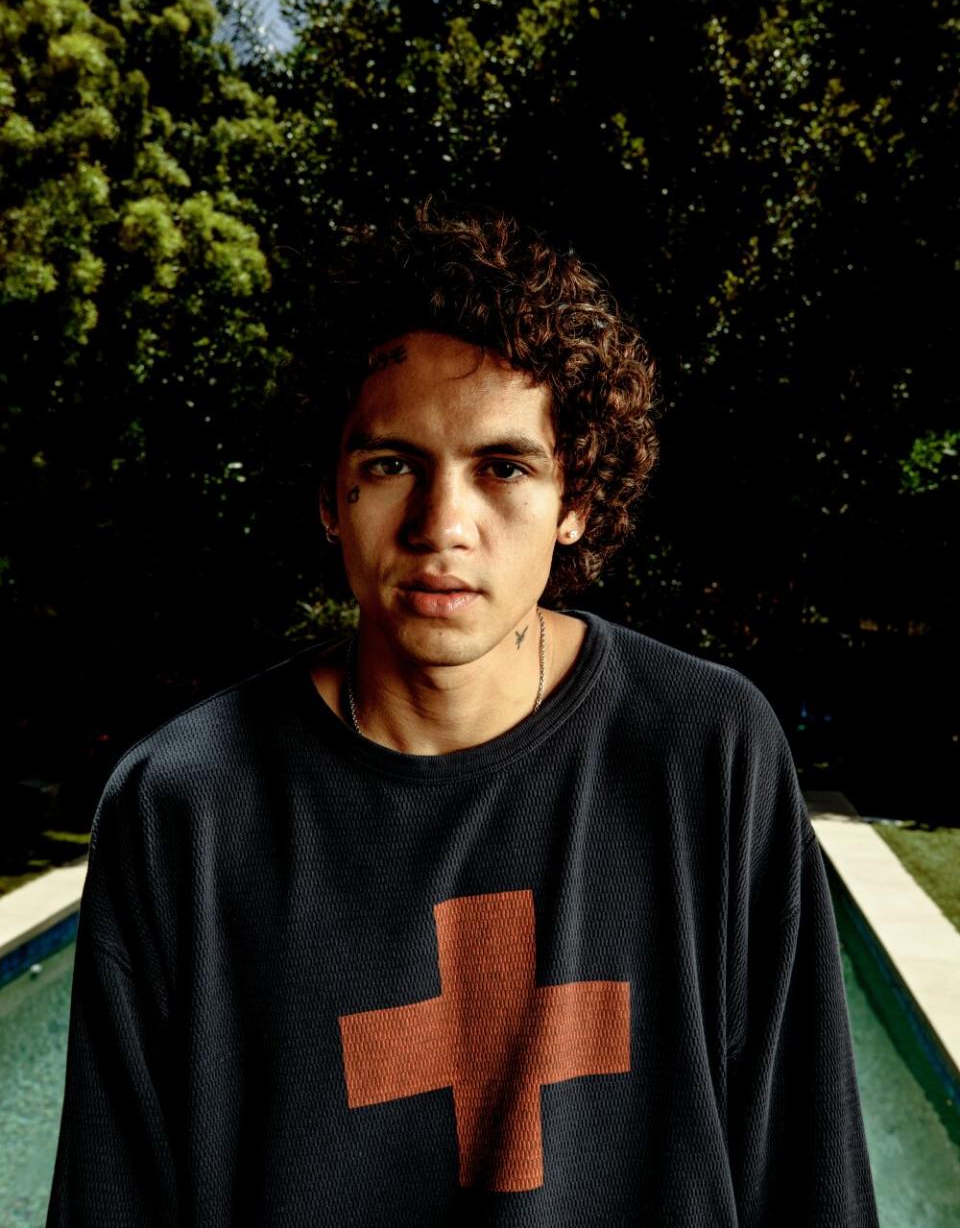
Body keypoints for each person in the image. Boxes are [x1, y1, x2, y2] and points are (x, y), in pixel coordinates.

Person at [47, 205, 879, 1226]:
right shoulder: (185, 808)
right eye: (393, 463)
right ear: (329, 493)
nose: (444, 526)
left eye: (505, 468)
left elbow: (812, 1179)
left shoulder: (703, 752)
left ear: (576, 497)